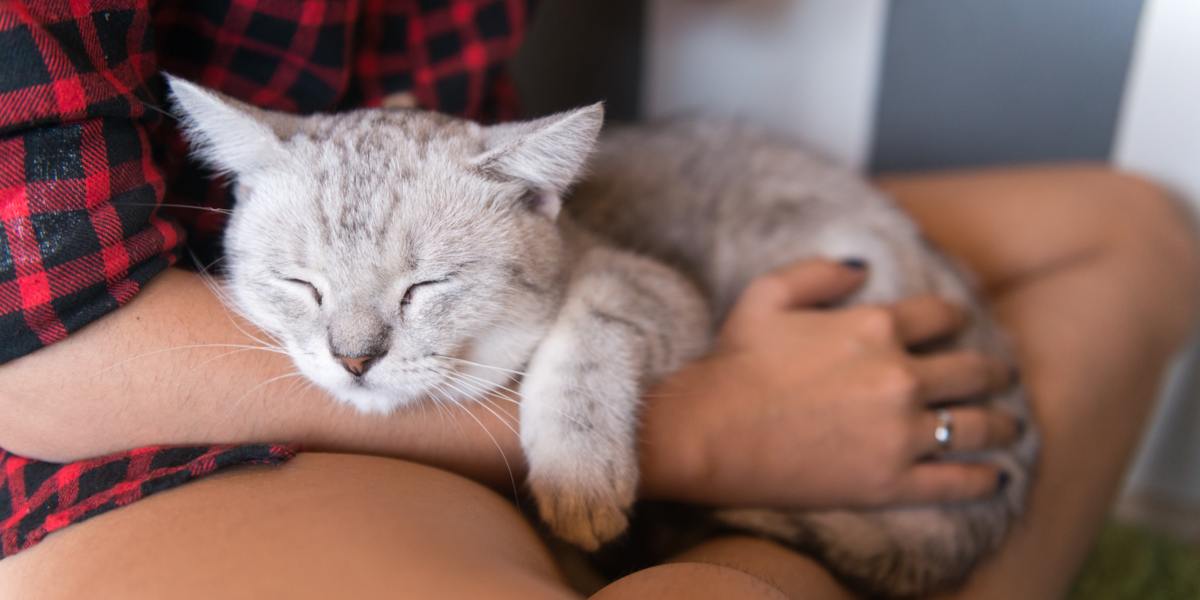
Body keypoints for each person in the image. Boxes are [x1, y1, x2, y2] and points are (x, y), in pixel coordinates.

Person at [1, 2, 1197, 598]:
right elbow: (39, 360)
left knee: (1138, 234)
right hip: (169, 407)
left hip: (500, 277)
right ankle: (763, 569)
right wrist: (730, 434)